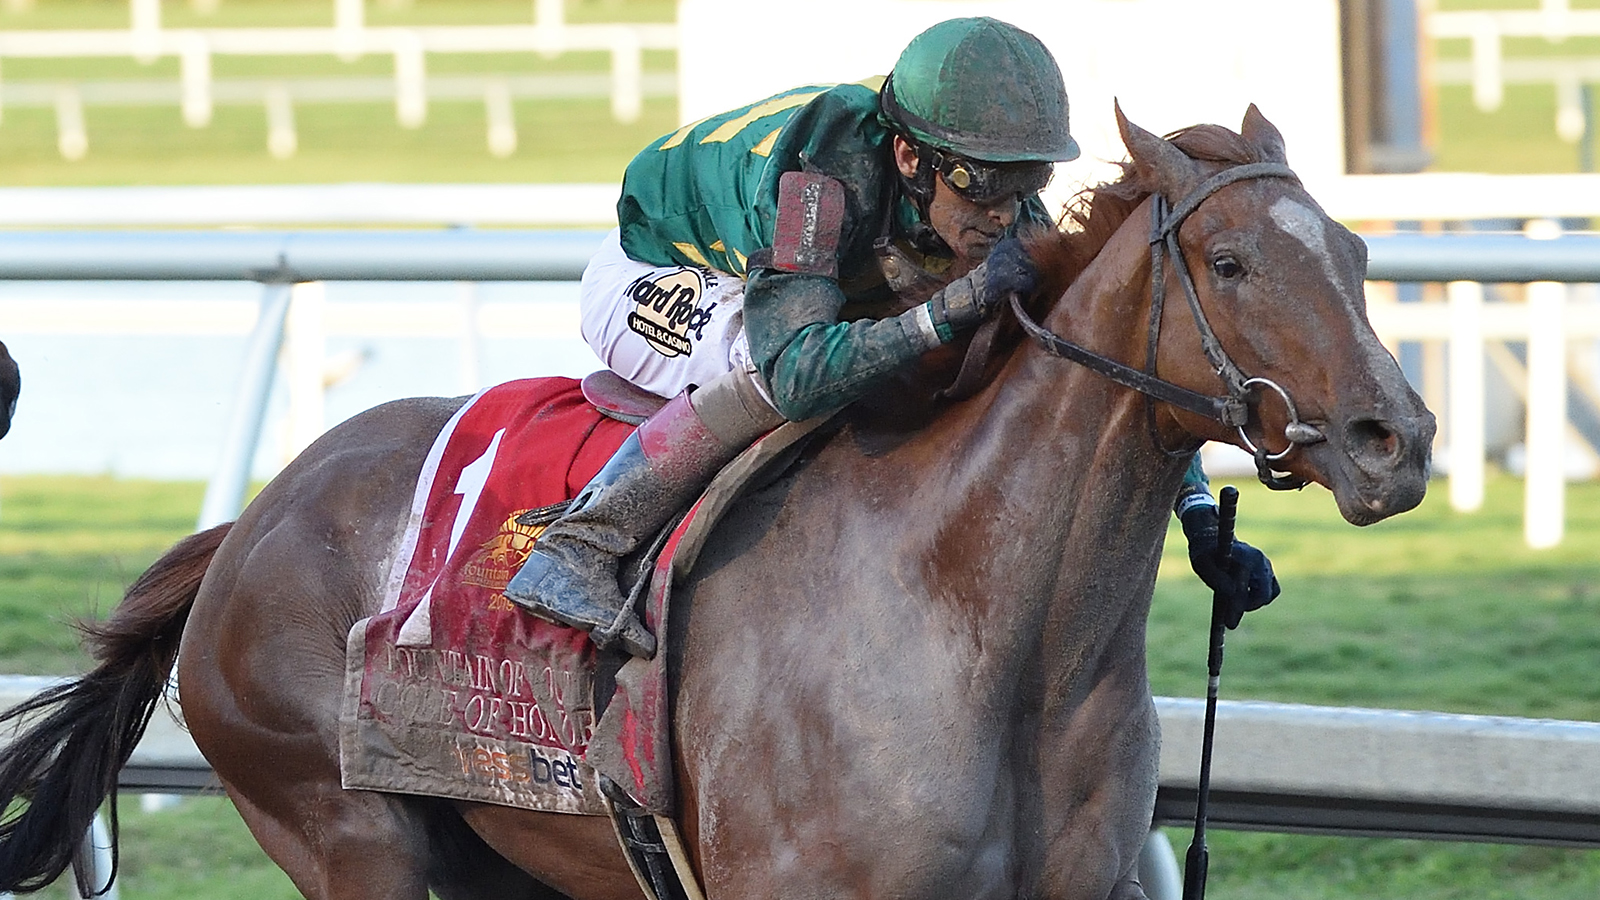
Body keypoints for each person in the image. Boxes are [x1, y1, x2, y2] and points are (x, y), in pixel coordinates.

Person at [503, 16, 1278, 658]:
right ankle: (580, 545)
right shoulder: (819, 177)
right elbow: (796, 370)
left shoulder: (992, 198)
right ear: (910, 156)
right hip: (662, 270)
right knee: (765, 367)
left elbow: (1092, 358)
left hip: (811, 271)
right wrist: (943, 313)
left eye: (1028, 181)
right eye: (981, 182)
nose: (1005, 212)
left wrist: (1199, 515)